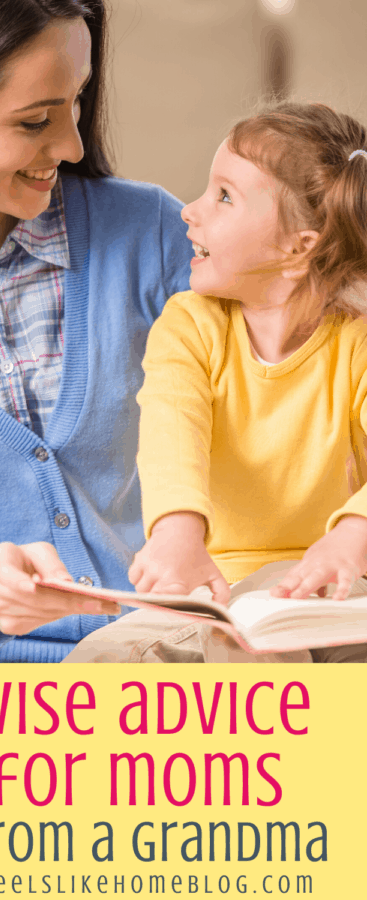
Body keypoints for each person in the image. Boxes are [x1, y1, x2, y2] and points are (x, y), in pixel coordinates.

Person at [0, 0, 192, 662]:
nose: (71, 145)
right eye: (34, 121)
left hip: (190, 687)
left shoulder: (154, 237)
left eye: (78, 102)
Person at [66, 102, 367, 663]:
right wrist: (177, 533)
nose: (188, 210)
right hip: (212, 584)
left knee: (257, 651)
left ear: (297, 248)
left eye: (223, 196)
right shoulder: (189, 324)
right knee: (94, 662)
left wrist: (352, 535)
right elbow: (170, 426)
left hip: (336, 587)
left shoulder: (356, 341)